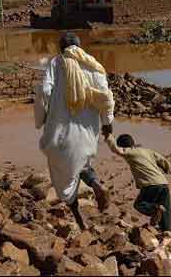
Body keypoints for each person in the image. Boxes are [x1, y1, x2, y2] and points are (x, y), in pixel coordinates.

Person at [40, 32, 114, 230]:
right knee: (83, 163)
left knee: (63, 175)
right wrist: (107, 123)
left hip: (61, 129)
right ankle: (97, 184)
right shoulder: (95, 66)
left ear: (61, 48)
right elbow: (106, 98)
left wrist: (43, 116)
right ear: (80, 47)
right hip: (88, 129)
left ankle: (79, 219)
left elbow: (45, 91)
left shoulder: (57, 63)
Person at [104, 133, 171, 231]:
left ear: (123, 146)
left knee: (139, 204)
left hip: (150, 184)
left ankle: (155, 209)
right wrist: (169, 167)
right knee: (166, 210)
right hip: (163, 183)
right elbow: (160, 158)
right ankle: (167, 231)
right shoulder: (147, 151)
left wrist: (108, 137)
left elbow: (116, 149)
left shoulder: (130, 152)